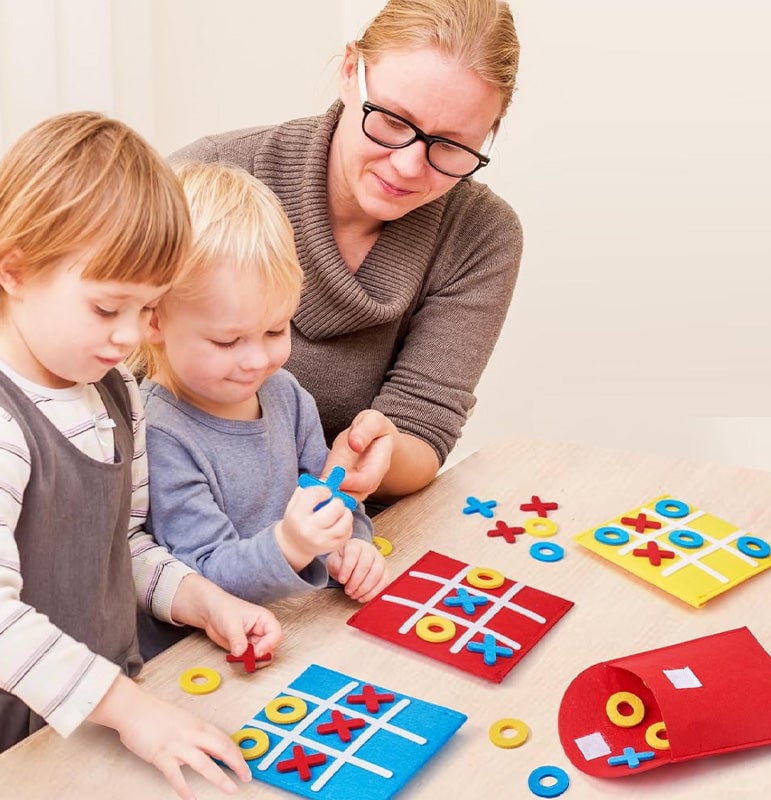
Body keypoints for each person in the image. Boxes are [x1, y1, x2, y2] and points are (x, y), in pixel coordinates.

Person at [0, 112, 282, 800]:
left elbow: (119, 546)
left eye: (148, 308)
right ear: (15, 270)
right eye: (107, 308)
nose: (130, 334)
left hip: (94, 726)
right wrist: (132, 714)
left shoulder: (116, 390)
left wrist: (200, 600)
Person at [170, 0, 522, 506]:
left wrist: (381, 453)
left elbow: (424, 425)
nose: (407, 167)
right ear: (349, 71)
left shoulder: (480, 234)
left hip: (346, 530)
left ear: (490, 133)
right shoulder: (204, 177)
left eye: (451, 146)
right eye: (394, 120)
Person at [133, 161, 390, 625]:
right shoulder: (158, 433)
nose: (257, 360)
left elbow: (332, 494)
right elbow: (202, 574)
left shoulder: (286, 394)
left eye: (275, 329)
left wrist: (352, 545)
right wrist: (292, 545)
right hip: (211, 650)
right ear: (154, 321)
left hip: (303, 620)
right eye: (228, 341)